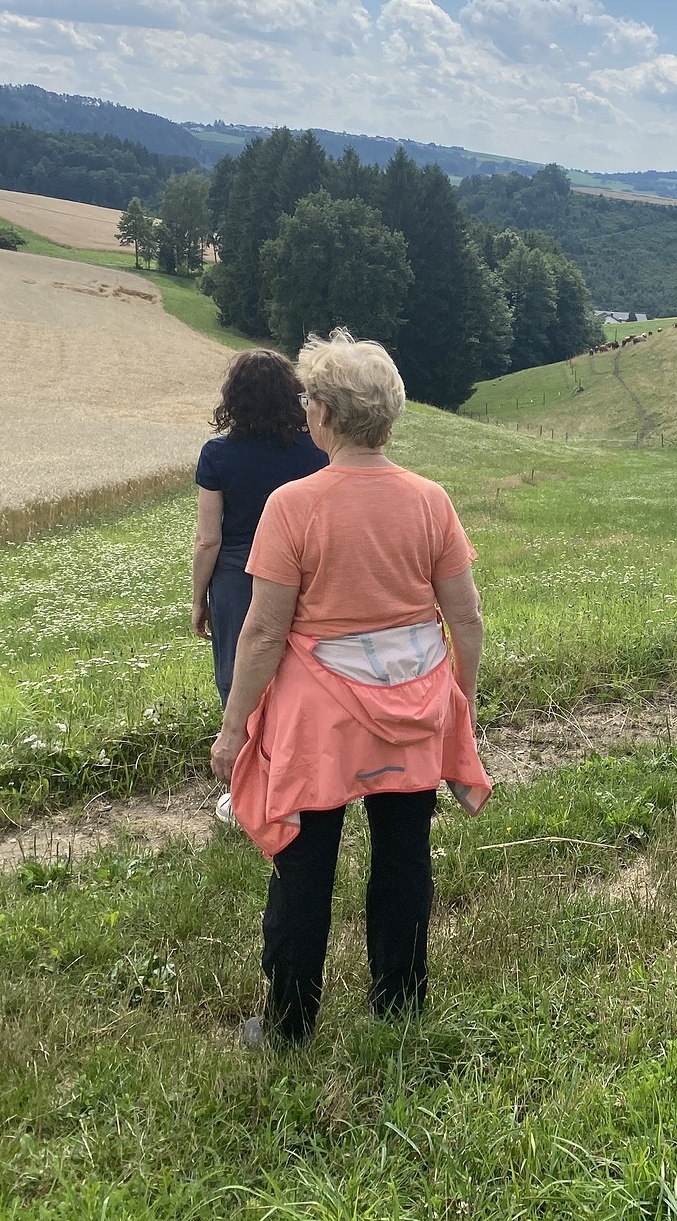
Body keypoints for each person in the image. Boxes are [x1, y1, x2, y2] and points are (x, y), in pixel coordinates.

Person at [209, 329, 492, 1046]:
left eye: (311, 400)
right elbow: (466, 618)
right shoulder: (430, 500)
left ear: (326, 415)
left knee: (303, 863)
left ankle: (289, 1023)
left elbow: (263, 632)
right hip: (414, 707)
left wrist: (234, 728)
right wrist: (458, 703)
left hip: (321, 721)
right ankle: (401, 1002)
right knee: (403, 856)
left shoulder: (292, 505)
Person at [193, 350, 327, 824]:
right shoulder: (316, 452)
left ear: (234, 398)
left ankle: (246, 795)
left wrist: (199, 599)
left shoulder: (217, 455)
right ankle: (305, 783)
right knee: (301, 676)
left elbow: (209, 539)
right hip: (303, 575)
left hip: (237, 579)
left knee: (238, 678)